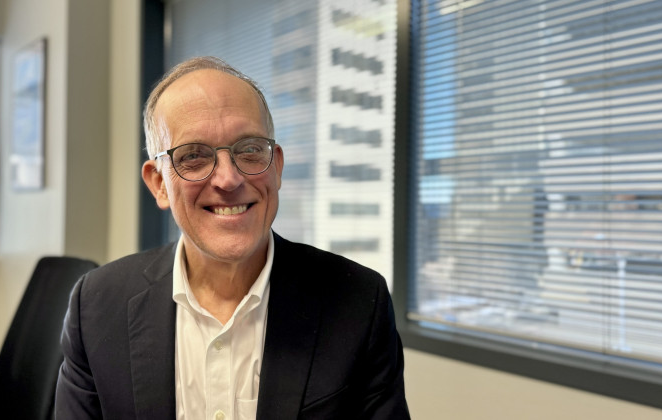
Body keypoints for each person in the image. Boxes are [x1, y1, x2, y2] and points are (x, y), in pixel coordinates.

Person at [55, 56, 410, 419]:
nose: (228, 179)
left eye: (250, 149)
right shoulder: (97, 307)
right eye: (193, 156)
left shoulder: (359, 302)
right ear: (159, 184)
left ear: (277, 167)